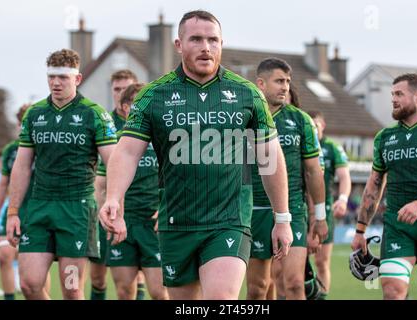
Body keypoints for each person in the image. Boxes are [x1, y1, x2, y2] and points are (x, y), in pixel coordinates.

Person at [99, 10, 293, 300]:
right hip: (177, 221)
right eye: (197, 39)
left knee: (221, 299)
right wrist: (114, 197)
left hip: (229, 219)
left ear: (222, 43)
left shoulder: (247, 94)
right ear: (179, 45)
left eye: (213, 40)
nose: (206, 47)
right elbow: (126, 152)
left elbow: (270, 157)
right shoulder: (153, 95)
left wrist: (283, 218)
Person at [6, 49, 118, 300]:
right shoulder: (34, 114)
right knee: (29, 285)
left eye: (63, 77)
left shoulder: (94, 114)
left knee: (71, 288)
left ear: (77, 79)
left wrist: (113, 202)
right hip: (39, 207)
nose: (56, 83)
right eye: (51, 77)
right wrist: (13, 211)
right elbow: (22, 166)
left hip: (76, 210)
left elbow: (115, 163)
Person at [351, 73, 417, 300]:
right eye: (392, 94)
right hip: (397, 226)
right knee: (393, 292)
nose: (393, 99)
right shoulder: (384, 137)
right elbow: (373, 187)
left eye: (399, 94)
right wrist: (360, 230)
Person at [246, 58, 327, 300]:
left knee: (293, 284)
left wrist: (320, 216)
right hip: (254, 211)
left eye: (288, 82)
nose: (285, 87)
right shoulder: (243, 117)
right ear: (260, 83)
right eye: (279, 81)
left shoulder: (301, 120)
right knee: (258, 288)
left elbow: (314, 171)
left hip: (292, 211)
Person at [96, 83, 168, 300]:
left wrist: (165, 209)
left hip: (153, 225)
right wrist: (108, 215)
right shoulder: (116, 140)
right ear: (126, 108)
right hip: (123, 223)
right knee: (124, 291)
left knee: (159, 292)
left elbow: (180, 180)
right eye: (140, 103)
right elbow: (100, 185)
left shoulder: (164, 139)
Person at [90, 69, 138, 300]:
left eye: (125, 89)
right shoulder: (105, 123)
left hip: (141, 211)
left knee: (137, 278)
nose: (120, 94)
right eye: (117, 89)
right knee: (98, 277)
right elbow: (99, 177)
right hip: (108, 207)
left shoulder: (144, 122)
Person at [0, 104, 52, 300]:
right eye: (21, 123)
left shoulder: (48, 146)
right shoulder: (11, 150)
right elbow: (4, 183)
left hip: (40, 211)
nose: (23, 127)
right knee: (4, 256)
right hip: (15, 211)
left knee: (39, 268)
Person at [308, 110, 351, 299]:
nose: (313, 128)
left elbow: (344, 176)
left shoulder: (332, 148)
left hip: (324, 210)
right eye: (310, 124)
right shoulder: (302, 143)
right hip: (300, 207)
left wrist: (342, 199)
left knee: (321, 261)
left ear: (323, 125)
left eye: (316, 124)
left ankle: (322, 297)